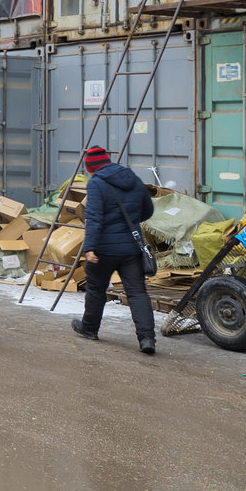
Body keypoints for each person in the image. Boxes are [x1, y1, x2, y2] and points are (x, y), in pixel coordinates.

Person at [74, 144, 157, 355]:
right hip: (131, 248)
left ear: (92, 167)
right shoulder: (132, 178)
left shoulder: (96, 184)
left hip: (103, 250)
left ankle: (90, 329)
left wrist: (90, 247)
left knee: (95, 289)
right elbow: (148, 210)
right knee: (137, 293)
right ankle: (147, 338)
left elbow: (94, 218)